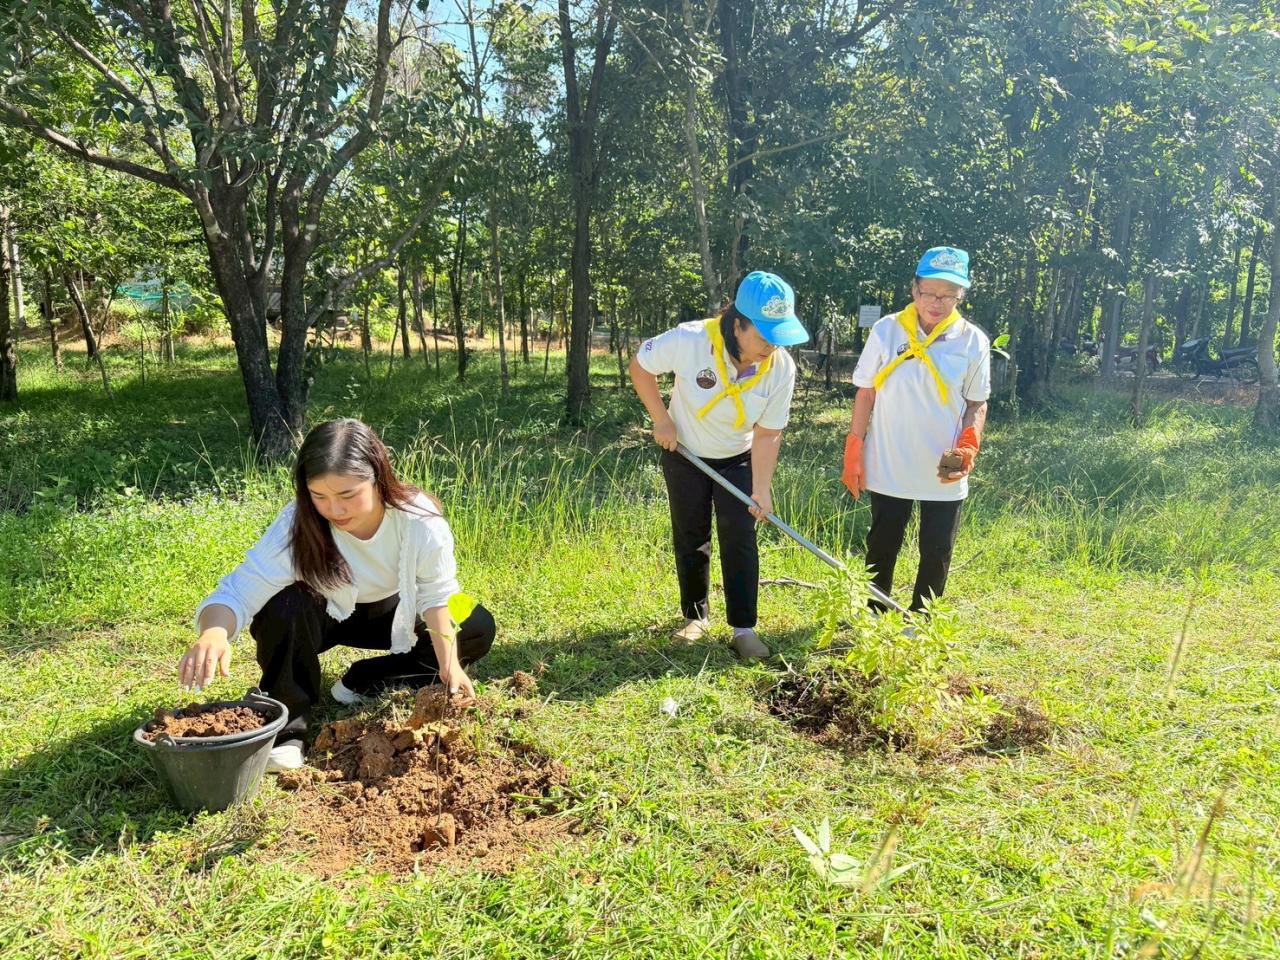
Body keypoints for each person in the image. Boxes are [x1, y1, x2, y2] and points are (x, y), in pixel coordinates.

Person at [177, 419, 495, 771]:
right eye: (319, 497)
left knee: (476, 625)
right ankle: (288, 727)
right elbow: (239, 591)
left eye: (347, 495)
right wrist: (214, 632)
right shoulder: (297, 524)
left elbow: (436, 595)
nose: (335, 510)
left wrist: (448, 666)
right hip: (322, 614)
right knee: (283, 604)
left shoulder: (418, 519)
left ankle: (366, 678)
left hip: (394, 612)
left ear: (378, 477)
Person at [630, 271, 809, 660]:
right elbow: (641, 367)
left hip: (738, 457)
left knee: (739, 536)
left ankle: (743, 628)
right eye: (764, 336)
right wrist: (662, 419)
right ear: (737, 324)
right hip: (685, 453)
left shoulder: (780, 368)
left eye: (778, 338)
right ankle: (695, 617)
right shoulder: (690, 340)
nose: (772, 347)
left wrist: (761, 488)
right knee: (691, 533)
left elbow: (768, 433)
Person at [841, 246, 990, 613]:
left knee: (937, 548)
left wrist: (968, 446)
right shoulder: (887, 330)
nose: (937, 303)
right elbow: (866, 392)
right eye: (929, 293)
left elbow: (976, 402)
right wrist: (854, 448)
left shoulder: (972, 340)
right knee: (882, 543)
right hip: (889, 459)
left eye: (948, 295)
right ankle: (875, 614)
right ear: (914, 289)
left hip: (944, 464)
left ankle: (922, 620)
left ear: (961, 296)